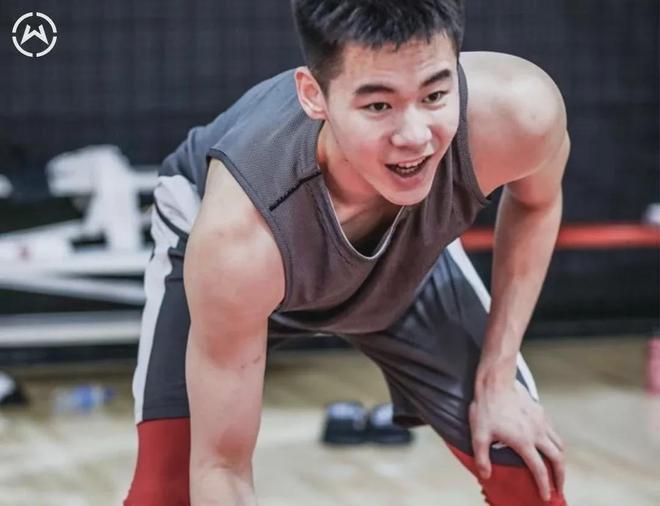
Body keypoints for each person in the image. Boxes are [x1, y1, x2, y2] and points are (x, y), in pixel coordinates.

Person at [124, 1, 570, 504]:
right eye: (378, 106)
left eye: (434, 95)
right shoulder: (237, 236)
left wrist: (497, 377)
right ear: (313, 96)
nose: (414, 137)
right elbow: (222, 468)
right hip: (242, 258)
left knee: (525, 467)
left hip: (407, 260)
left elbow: (537, 203)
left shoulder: (521, 112)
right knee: (167, 493)